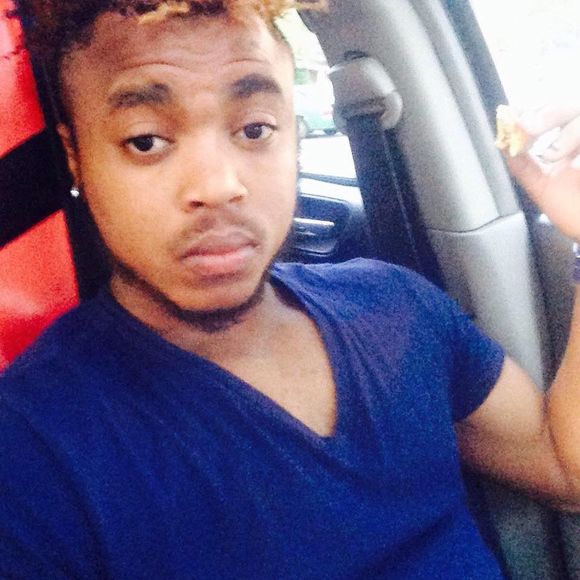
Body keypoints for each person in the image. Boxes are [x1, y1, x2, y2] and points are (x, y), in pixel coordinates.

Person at [2, 0, 580, 577]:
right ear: (76, 158)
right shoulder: (31, 443)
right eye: (146, 141)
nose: (219, 186)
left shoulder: (397, 307)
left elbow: (562, 466)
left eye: (255, 129)